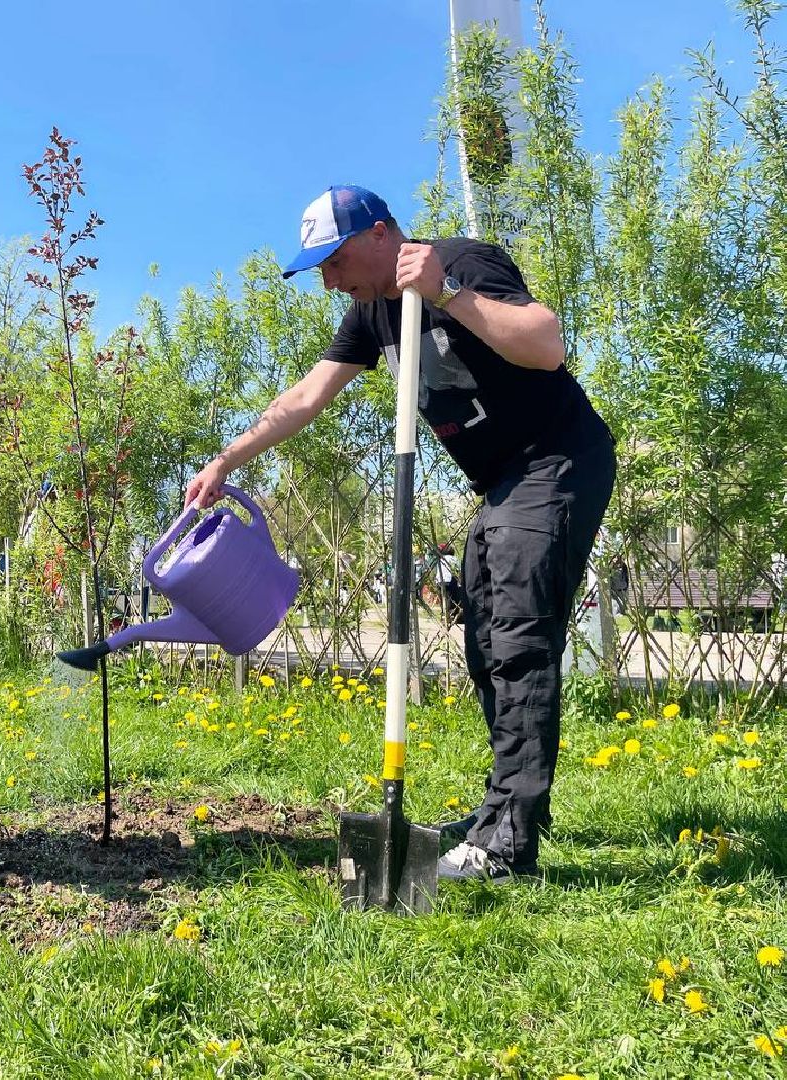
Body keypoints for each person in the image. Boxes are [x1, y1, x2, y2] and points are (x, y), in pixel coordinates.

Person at [187, 185, 615, 883]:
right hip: (501, 483)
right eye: (318, 267)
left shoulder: (462, 263)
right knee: (485, 637)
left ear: (381, 234)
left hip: (557, 461)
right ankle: (506, 810)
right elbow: (304, 397)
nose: (327, 278)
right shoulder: (369, 314)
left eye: (333, 259)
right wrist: (227, 459)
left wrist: (448, 295)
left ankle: (508, 845)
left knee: (516, 636)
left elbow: (546, 344)